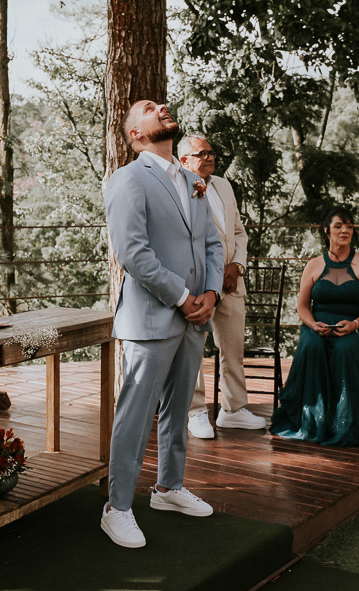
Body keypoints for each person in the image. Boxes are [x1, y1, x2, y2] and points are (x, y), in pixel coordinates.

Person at [101, 100, 225, 548]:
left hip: (195, 318)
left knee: (179, 410)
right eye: (150, 109)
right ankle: (116, 507)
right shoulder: (127, 179)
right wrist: (182, 296)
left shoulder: (195, 181)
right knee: (135, 415)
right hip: (152, 317)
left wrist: (210, 294)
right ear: (135, 133)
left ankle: (169, 489)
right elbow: (132, 252)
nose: (163, 108)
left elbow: (213, 242)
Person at [270, 207, 359, 447]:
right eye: (338, 226)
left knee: (347, 350)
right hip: (317, 325)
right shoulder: (313, 265)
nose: (345, 230)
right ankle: (311, 421)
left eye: (349, 226)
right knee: (312, 347)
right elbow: (302, 306)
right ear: (326, 231)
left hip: (353, 327)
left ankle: (345, 422)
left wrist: (354, 324)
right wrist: (313, 324)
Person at [177, 134, 266, 439]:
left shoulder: (224, 186)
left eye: (212, 152)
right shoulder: (178, 189)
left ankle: (233, 410)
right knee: (193, 350)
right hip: (199, 283)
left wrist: (236, 266)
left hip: (231, 281)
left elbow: (239, 232)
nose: (210, 157)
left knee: (233, 349)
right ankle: (197, 412)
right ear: (184, 160)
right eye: (202, 153)